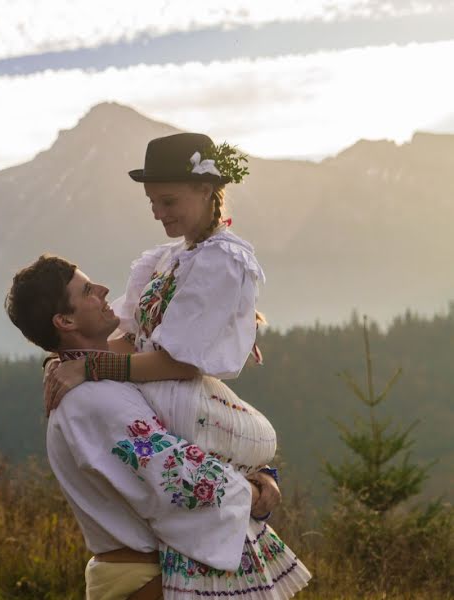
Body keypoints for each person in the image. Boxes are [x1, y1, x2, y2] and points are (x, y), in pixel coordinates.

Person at [43, 133, 311, 598]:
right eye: (151, 201)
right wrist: (70, 359)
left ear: (207, 190)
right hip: (157, 394)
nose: (157, 213)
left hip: (182, 393)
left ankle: (249, 495)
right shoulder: (166, 259)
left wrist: (89, 369)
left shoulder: (224, 259)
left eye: (167, 200)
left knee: (228, 457)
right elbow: (125, 339)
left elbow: (181, 363)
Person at [5, 255, 284, 600]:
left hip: (140, 573)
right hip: (141, 580)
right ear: (64, 320)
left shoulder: (105, 380)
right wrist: (252, 495)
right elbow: (176, 477)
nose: (105, 290)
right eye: (88, 290)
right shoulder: (92, 401)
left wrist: (262, 474)